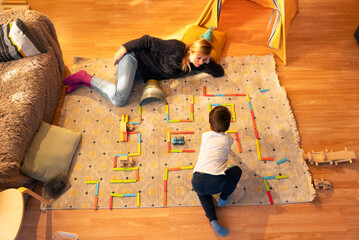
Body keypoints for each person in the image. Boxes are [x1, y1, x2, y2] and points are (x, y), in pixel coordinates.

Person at [63, 35, 224, 106]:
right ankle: (85, 77)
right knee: (119, 99)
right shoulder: (177, 48)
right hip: (133, 58)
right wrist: (123, 49)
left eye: (205, 59)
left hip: (140, 74)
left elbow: (219, 72)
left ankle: (85, 83)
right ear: (190, 52)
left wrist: (207, 60)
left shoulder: (197, 64)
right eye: (199, 58)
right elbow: (147, 40)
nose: (201, 62)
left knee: (119, 95)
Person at [192, 106, 242, 237]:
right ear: (228, 126)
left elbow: (210, 135)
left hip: (197, 180)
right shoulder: (228, 139)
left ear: (209, 124)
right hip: (216, 182)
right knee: (237, 171)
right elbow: (227, 145)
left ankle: (213, 220)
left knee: (202, 195)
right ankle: (223, 198)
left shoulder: (205, 135)